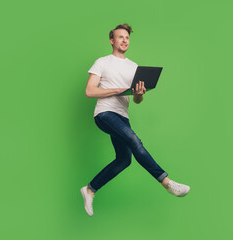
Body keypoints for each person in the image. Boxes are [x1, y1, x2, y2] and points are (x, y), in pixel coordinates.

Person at [80, 23, 190, 216]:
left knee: (124, 160)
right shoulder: (102, 62)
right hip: (105, 113)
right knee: (134, 140)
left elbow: (136, 100)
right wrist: (117, 90)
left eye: (127, 38)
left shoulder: (134, 67)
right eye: (120, 37)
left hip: (122, 116)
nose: (124, 40)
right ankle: (167, 182)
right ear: (112, 40)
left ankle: (90, 189)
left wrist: (138, 94)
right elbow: (90, 91)